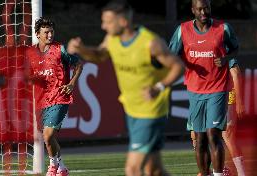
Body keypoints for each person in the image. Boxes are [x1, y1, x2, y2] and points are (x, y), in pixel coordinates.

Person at [68, 1, 184, 175]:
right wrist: (82, 49)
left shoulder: (150, 43)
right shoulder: (111, 39)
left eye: (107, 21)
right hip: (132, 110)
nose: (103, 26)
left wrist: (159, 87)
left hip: (151, 112)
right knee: (154, 170)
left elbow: (178, 66)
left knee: (132, 169)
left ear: (123, 22)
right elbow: (100, 55)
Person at [169, 0, 240, 175]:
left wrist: (225, 59)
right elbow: (171, 54)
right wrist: (184, 63)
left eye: (206, 8)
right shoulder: (183, 30)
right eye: (199, 9)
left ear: (210, 8)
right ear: (193, 10)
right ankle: (205, 173)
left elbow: (235, 49)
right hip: (195, 91)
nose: (203, 12)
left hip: (218, 89)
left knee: (213, 134)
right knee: (199, 139)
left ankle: (217, 174)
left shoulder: (223, 28)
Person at [25, 17, 83, 176]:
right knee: (47, 139)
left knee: (48, 135)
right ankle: (62, 167)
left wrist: (71, 84)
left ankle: (52, 166)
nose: (50, 35)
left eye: (52, 31)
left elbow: (78, 65)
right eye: (46, 32)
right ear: (38, 34)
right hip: (41, 100)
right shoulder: (30, 53)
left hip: (59, 97)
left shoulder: (60, 49)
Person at [190, 63, 246, 176]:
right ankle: (206, 170)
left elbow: (235, 73)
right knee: (196, 135)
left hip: (225, 96)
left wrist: (239, 101)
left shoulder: (223, 49)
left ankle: (241, 173)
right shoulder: (198, 50)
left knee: (227, 135)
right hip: (202, 96)